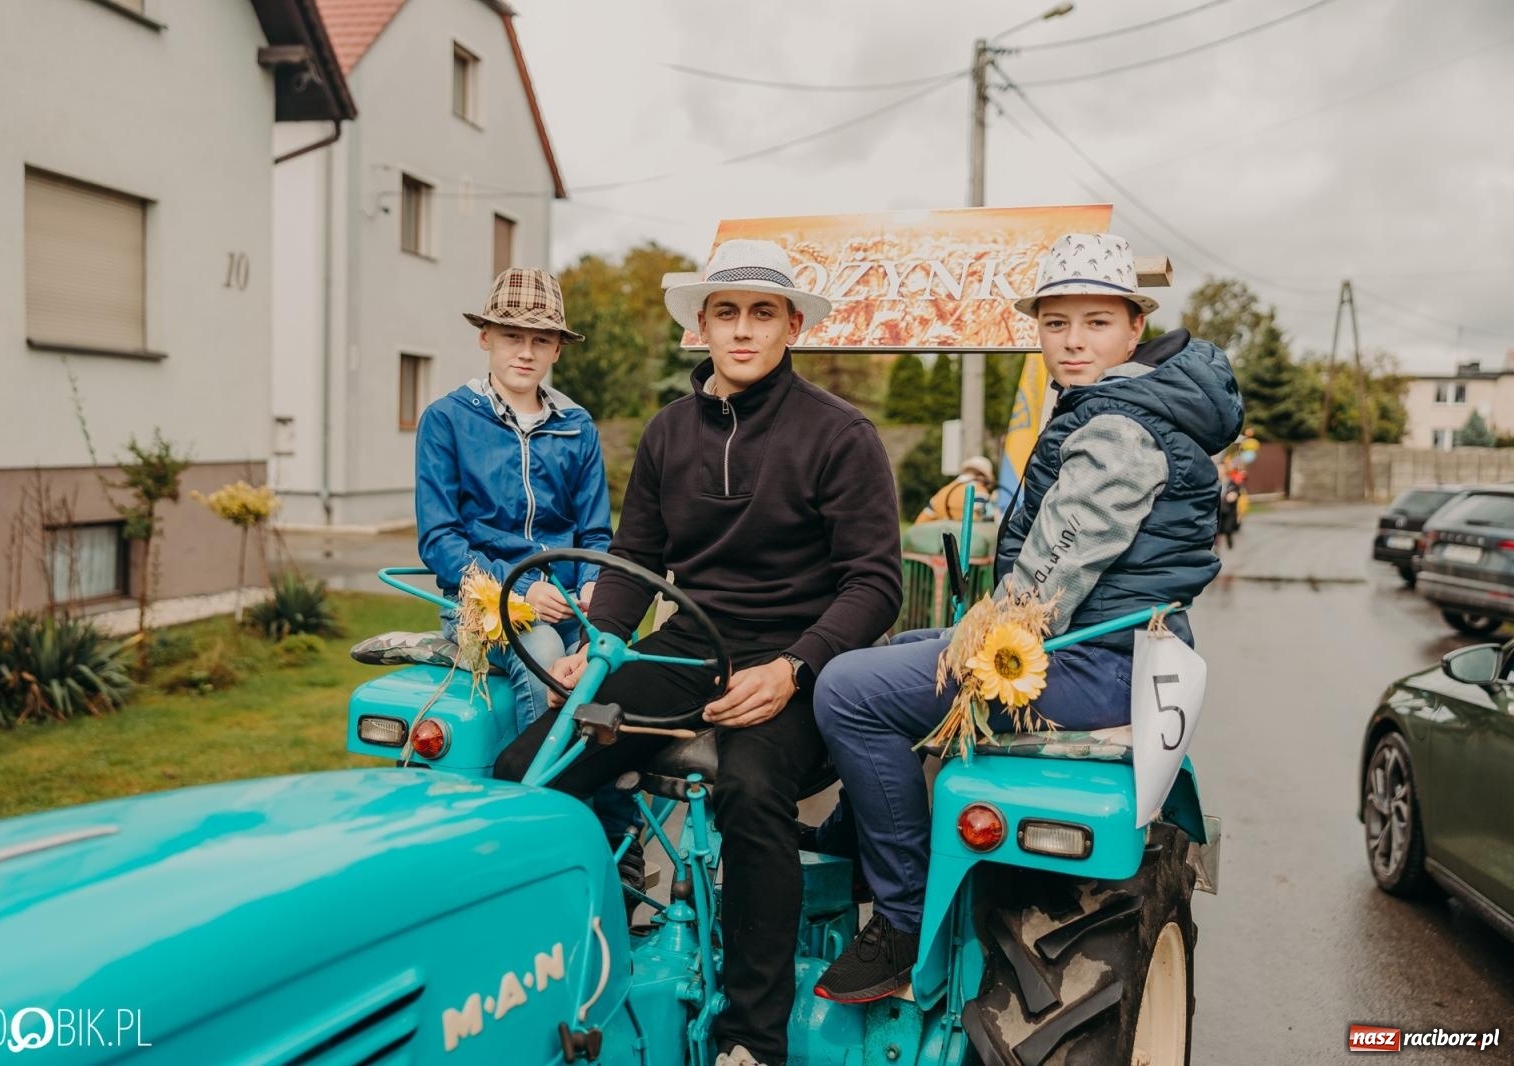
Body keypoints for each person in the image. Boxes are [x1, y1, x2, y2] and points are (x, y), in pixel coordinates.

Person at [494, 239, 903, 1066]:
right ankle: (565, 980)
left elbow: (875, 585)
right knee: (529, 771)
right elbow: (636, 562)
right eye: (726, 313)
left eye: (761, 313)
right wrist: (602, 648)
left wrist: (795, 668)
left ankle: (751, 1039)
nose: (743, 331)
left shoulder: (839, 435)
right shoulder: (668, 433)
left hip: (802, 656)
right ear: (702, 328)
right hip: (688, 642)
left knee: (752, 790)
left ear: (792, 325)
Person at [808, 232, 1244, 1004]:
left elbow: (1048, 579)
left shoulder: (1120, 427)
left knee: (848, 688)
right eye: (1056, 323)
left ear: (1134, 328)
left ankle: (903, 922)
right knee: (910, 648)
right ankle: (859, 826)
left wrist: (981, 627)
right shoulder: (1133, 402)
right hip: (1119, 645)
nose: (1074, 340)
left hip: (1096, 659)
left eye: (1096, 322)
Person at [413, 267, 636, 852]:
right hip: (484, 601)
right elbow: (440, 538)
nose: (526, 351)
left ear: (558, 347)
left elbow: (593, 532)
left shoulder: (576, 426)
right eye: (513, 336)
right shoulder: (448, 420)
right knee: (541, 659)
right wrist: (512, 593)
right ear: (486, 337)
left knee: (616, 667)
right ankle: (549, 838)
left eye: (541, 340)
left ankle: (620, 836)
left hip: (569, 604)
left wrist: (592, 588)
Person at [913, 454, 996, 524]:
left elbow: (920, 521)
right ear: (983, 477)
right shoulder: (979, 491)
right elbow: (984, 521)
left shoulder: (943, 491)